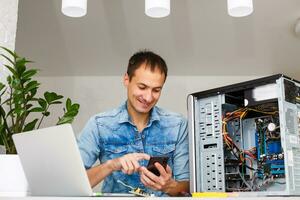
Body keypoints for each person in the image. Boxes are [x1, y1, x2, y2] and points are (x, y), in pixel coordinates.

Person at [77, 50, 189, 196]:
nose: (148, 97)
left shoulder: (178, 125)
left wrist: (169, 186)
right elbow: (75, 182)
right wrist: (111, 165)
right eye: (142, 87)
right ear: (126, 80)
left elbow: (187, 187)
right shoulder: (99, 125)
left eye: (156, 90)